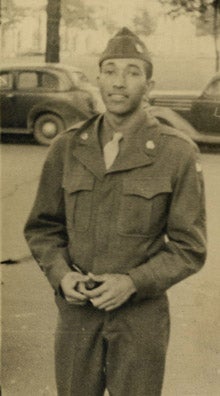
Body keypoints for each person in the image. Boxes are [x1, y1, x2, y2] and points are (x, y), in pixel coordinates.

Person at [24, 27, 207, 396]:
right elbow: (43, 228)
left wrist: (133, 282)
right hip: (78, 317)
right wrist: (61, 275)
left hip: (140, 321)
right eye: (110, 70)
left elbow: (190, 247)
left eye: (132, 71)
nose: (119, 82)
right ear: (98, 79)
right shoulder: (67, 147)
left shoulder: (177, 153)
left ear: (149, 85)